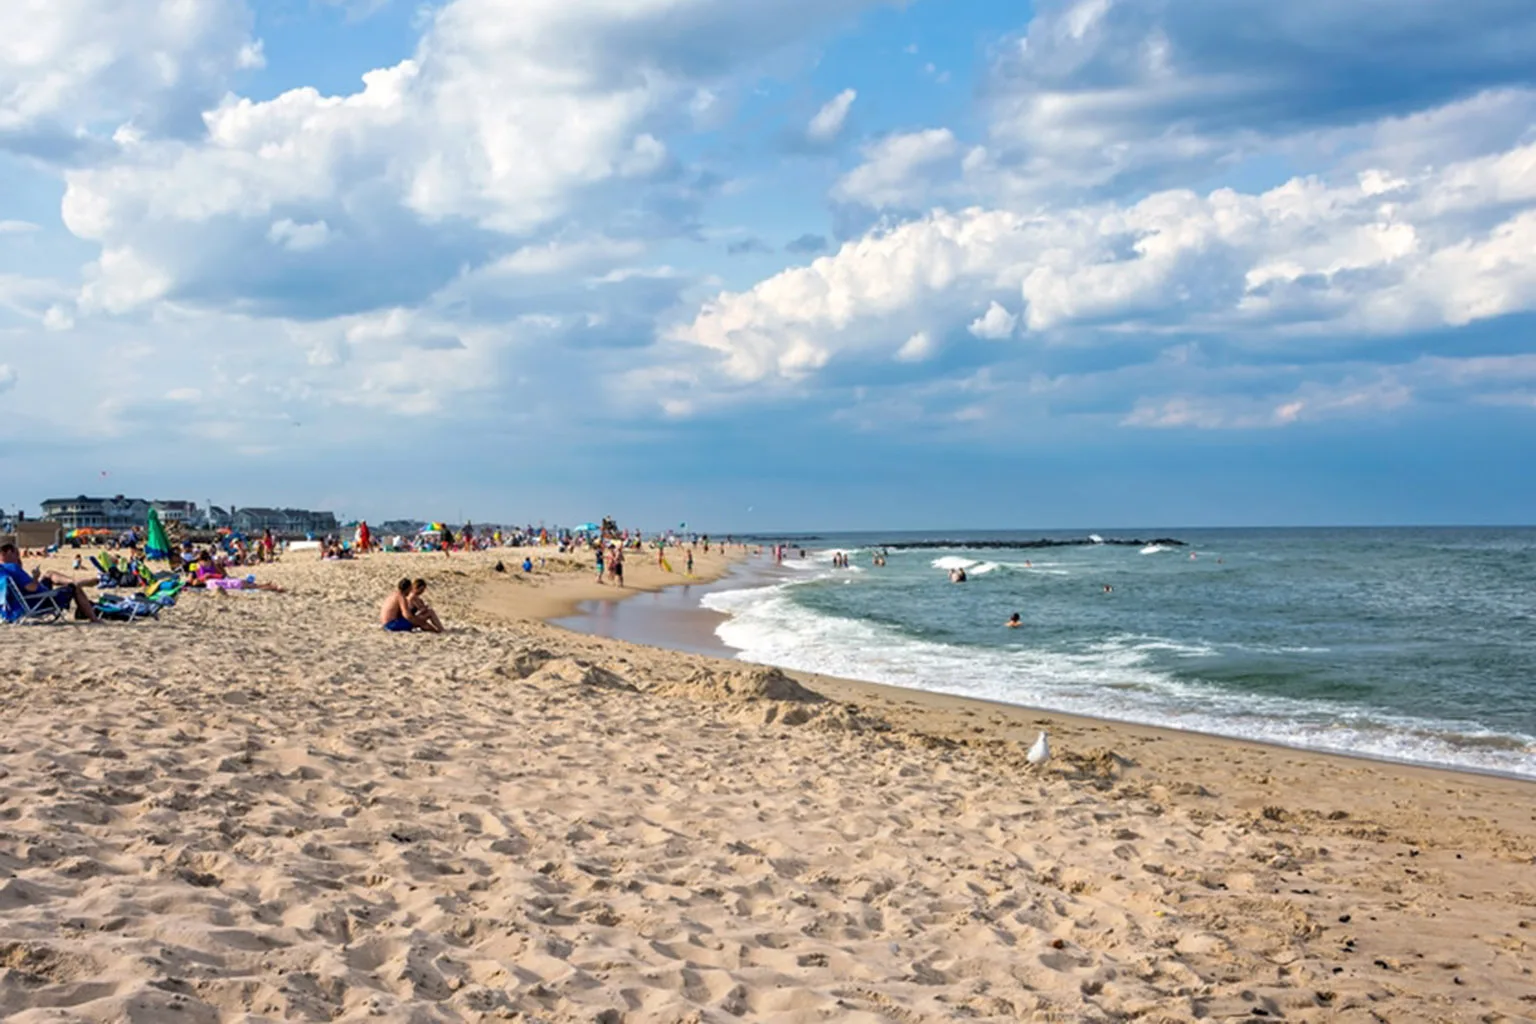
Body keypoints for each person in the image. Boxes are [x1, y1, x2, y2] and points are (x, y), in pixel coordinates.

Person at [0, 542, 98, 621]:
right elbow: (31, 588)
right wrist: (35, 577)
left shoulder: (3, 570)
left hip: (17, 605)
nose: (18, 557)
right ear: (8, 552)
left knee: (49, 574)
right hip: (39, 601)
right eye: (16, 554)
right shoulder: (13, 567)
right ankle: (94, 618)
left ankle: (75, 581)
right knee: (74, 588)